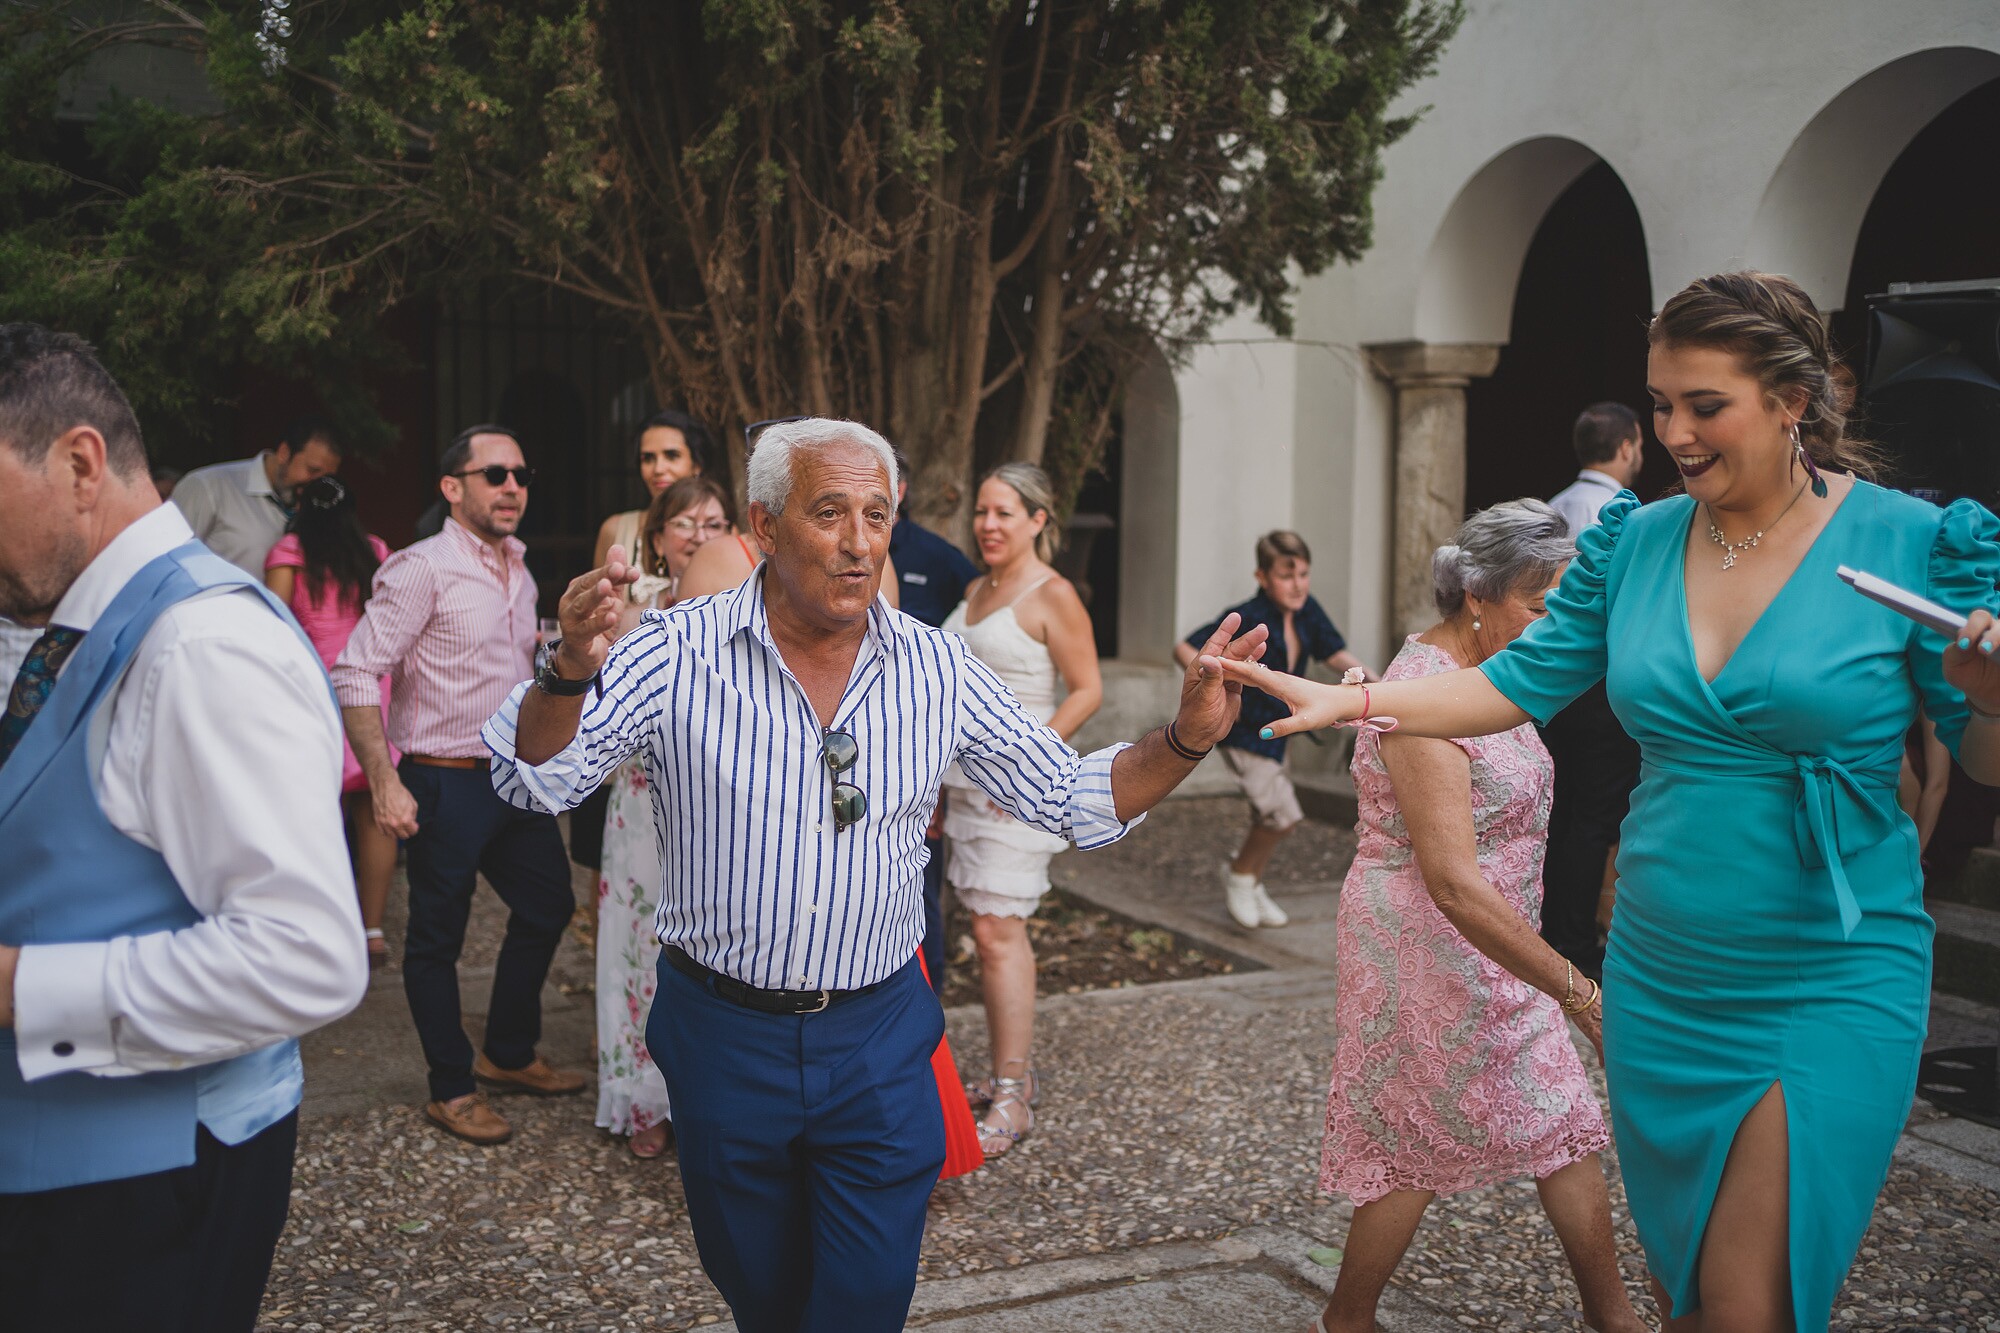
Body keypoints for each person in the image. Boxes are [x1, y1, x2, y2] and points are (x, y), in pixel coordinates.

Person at [1218, 271, 2000, 1333]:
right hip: (1662, 969)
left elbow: (1983, 763)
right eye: (1660, 404)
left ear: (1791, 401)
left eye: (1704, 405)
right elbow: (1512, 682)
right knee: (1691, 1293)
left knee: (1743, 1303)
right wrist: (1355, 698)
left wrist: (1987, 698)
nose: (1673, 433)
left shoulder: (1913, 543)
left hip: (1826, 962)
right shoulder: (1635, 543)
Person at [483, 417, 1267, 1333]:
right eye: (829, 513)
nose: (860, 542)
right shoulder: (672, 651)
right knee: (761, 1293)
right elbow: (534, 777)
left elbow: (1070, 794)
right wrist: (567, 672)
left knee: (864, 1300)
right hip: (724, 1036)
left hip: (879, 1038)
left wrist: (1186, 739)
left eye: (877, 514)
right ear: (765, 526)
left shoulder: (937, 667)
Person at [0, 324, 368, 1331]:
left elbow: (307, 957)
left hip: (143, 1191)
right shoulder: (79, 618)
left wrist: (19, 986)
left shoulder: (200, 645)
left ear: (80, 464)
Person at [1308, 500, 1646, 1333]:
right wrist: (1580, 991)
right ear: (1477, 596)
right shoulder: (1421, 695)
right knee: (1419, 1142)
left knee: (1561, 1121)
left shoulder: (1492, 675)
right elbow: (1453, 882)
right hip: (1429, 940)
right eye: (1539, 606)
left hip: (1503, 940)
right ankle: (1347, 1319)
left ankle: (1614, 1318)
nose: (1554, 626)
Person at [331, 424, 585, 1146]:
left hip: (513, 778)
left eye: (521, 475)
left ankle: (507, 1050)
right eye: (495, 474)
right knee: (436, 940)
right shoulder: (422, 568)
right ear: (452, 487)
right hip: (441, 779)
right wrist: (385, 780)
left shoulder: (521, 569)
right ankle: (451, 1086)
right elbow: (356, 669)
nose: (512, 487)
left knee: (548, 904)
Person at [941, 462, 1102, 1156]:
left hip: (1018, 792)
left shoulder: (1053, 593)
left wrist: (1024, 765)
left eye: (1004, 512)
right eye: (982, 511)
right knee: (983, 929)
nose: (988, 524)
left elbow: (1087, 689)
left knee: (997, 929)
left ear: (1038, 520)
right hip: (962, 788)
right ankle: (1011, 1073)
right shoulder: (976, 589)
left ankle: (1013, 1092)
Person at [596, 473, 737, 1160]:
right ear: (656, 538)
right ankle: (643, 1098)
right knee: (640, 946)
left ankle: (708, 1101)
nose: (700, 536)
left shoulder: (745, 611)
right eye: (685, 523)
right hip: (642, 803)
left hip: (717, 808)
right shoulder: (633, 612)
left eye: (714, 524)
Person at [1174, 531, 1373, 930]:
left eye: (1303, 574)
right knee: (1281, 816)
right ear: (1262, 577)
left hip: (1279, 731)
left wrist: (1379, 683)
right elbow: (1186, 647)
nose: (1297, 585)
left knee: (1269, 813)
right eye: (1286, 576)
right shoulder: (1249, 614)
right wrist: (1214, 683)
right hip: (1246, 731)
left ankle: (1251, 880)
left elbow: (1333, 652)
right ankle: (1240, 876)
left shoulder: (1307, 611)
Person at [572, 412, 719, 907]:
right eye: (647, 458)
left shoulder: (716, 523)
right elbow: (603, 605)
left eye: (671, 455)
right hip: (631, 696)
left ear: (696, 463)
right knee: (614, 861)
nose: (658, 467)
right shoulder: (619, 527)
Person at [265, 476, 398, 967]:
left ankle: (320, 927)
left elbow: (273, 626)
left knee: (317, 814)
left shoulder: (289, 553)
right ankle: (372, 931)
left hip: (313, 692)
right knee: (376, 807)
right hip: (372, 690)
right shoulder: (375, 550)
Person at [1540, 404, 1648, 977]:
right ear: (1627, 446)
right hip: (1598, 683)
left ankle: (1553, 928)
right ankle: (1574, 942)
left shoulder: (1554, 507)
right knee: (1594, 818)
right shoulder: (1622, 514)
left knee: (1564, 810)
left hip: (1555, 681)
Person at [886, 446, 981, 993]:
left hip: (920, 751)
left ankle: (930, 999)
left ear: (900, 490)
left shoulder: (938, 556)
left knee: (919, 883)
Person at [172, 414, 343, 576]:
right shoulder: (208, 487)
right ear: (284, 452)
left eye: (326, 478)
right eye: (312, 470)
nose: (316, 484)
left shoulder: (318, 508)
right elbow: (169, 562)